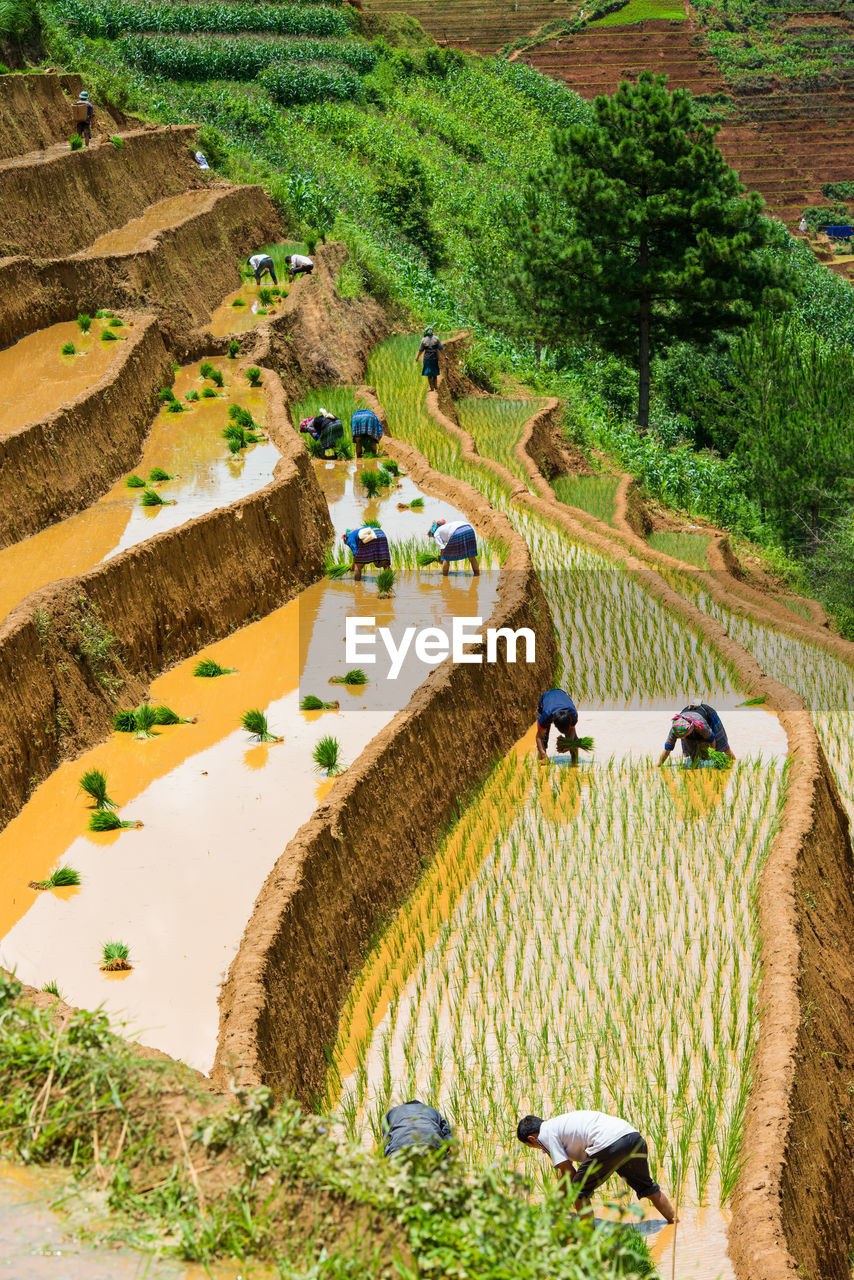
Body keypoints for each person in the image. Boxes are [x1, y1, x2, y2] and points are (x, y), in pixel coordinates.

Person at [517, 1111, 675, 1223]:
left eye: (531, 1147)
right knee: (648, 1188)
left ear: (532, 1139)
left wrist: (556, 1205)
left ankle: (588, 1243)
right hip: (632, 1137)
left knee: (579, 1194)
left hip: (608, 1144)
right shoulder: (557, 1125)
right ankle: (674, 1223)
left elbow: (569, 1173)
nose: (539, 1150)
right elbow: (565, 1170)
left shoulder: (545, 1136)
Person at [658, 702, 735, 768]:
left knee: (723, 746)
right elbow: (667, 748)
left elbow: (712, 739)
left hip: (709, 715)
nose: (683, 738)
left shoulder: (701, 727)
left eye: (684, 735)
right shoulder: (675, 729)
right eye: (681, 737)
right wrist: (658, 765)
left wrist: (712, 754)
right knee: (693, 753)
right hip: (689, 718)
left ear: (690, 729)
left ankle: (734, 761)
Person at [382, 1100, 454, 1158]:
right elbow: (447, 1132)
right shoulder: (432, 1110)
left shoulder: (392, 1112)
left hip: (400, 1150)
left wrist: (389, 1157)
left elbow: (386, 1139)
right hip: (431, 1147)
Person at [535, 688, 579, 764]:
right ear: (554, 724)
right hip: (547, 699)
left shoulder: (573, 714)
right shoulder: (546, 715)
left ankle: (574, 762)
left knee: (574, 741)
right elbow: (539, 737)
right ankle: (542, 758)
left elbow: (572, 730)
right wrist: (543, 754)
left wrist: (569, 745)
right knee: (544, 738)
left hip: (561, 695)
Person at [415, 327, 443, 392]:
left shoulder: (423, 340)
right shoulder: (436, 338)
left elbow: (420, 350)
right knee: (434, 373)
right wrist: (445, 356)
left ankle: (432, 388)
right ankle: (435, 387)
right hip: (434, 357)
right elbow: (441, 348)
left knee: (429, 374)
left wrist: (417, 357)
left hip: (427, 358)